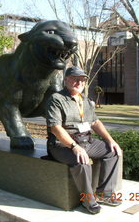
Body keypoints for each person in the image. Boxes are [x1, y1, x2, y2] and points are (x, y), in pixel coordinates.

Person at [46, 66, 122, 214]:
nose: (79, 82)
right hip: (62, 145)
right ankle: (88, 200)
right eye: (75, 79)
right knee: (81, 160)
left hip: (86, 141)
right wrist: (74, 146)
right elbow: (55, 128)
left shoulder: (85, 100)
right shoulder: (56, 99)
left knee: (113, 152)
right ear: (66, 79)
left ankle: (104, 194)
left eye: (82, 80)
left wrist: (111, 141)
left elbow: (95, 123)